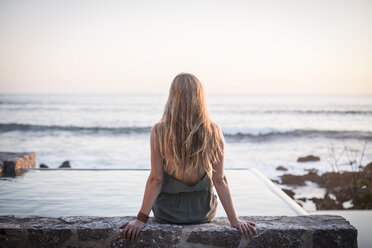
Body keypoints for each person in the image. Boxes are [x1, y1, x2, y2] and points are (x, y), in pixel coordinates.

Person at [119, 73, 258, 242]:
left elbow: (156, 179)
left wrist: (140, 219)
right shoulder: (213, 131)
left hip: (168, 213)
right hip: (203, 213)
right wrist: (234, 220)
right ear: (199, 97)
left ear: (172, 96)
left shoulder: (159, 131)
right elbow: (220, 179)